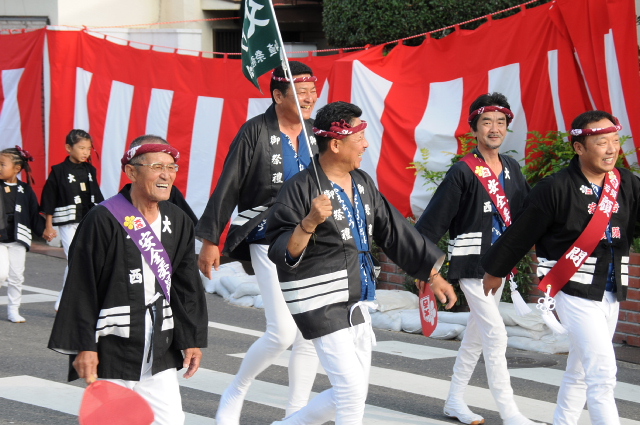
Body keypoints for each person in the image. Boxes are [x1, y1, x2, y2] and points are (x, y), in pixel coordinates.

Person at [266, 101, 457, 425]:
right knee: (351, 390)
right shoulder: (299, 188)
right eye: (359, 137)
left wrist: (433, 274)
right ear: (336, 144)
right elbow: (282, 251)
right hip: (321, 299)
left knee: (351, 391)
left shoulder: (363, 183)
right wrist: (309, 222)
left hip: (358, 296)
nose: (365, 144)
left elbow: (395, 232)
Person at [482, 110, 639, 425]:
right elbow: (520, 234)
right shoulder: (555, 187)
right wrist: (495, 270)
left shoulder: (626, 183)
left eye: (614, 141)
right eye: (601, 143)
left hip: (611, 290)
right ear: (579, 147)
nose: (611, 149)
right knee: (603, 372)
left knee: (580, 369)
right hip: (573, 289)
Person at [48, 135, 208, 425]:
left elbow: (186, 286)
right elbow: (81, 286)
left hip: (159, 346)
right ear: (132, 171)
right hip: (114, 345)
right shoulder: (103, 219)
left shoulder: (178, 220)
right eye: (157, 166)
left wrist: (191, 339)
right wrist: (85, 346)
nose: (166, 175)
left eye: (171, 167)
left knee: (171, 421)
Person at [196, 61, 320, 424]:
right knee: (282, 332)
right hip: (268, 237)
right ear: (278, 96)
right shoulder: (255, 131)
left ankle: (295, 414)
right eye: (301, 92)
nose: (310, 98)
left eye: (313, 91)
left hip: (312, 241)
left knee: (309, 332)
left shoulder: (316, 133)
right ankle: (236, 389)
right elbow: (229, 184)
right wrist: (210, 239)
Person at [415, 93, 540, 425]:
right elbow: (432, 223)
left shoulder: (512, 168)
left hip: (499, 267)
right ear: (474, 129)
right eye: (486, 122)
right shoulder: (463, 171)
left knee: (476, 336)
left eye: (500, 122)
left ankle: (454, 401)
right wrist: (425, 268)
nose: (494, 128)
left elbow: (529, 215)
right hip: (472, 265)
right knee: (496, 335)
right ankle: (510, 412)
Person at [41, 129, 104, 311]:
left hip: (87, 221)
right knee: (75, 258)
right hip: (68, 223)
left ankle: (64, 300)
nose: (86, 152)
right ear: (69, 148)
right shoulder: (59, 171)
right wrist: (48, 226)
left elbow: (97, 196)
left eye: (89, 149)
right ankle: (66, 302)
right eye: (81, 148)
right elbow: (50, 198)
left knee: (82, 260)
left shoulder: (90, 170)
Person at [0, 146, 53, 323]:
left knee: (17, 276)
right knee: (1, 273)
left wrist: (44, 231)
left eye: (2, 164)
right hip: (0, 238)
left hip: (18, 239)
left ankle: (13, 310)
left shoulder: (26, 190)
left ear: (17, 168)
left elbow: (33, 215)